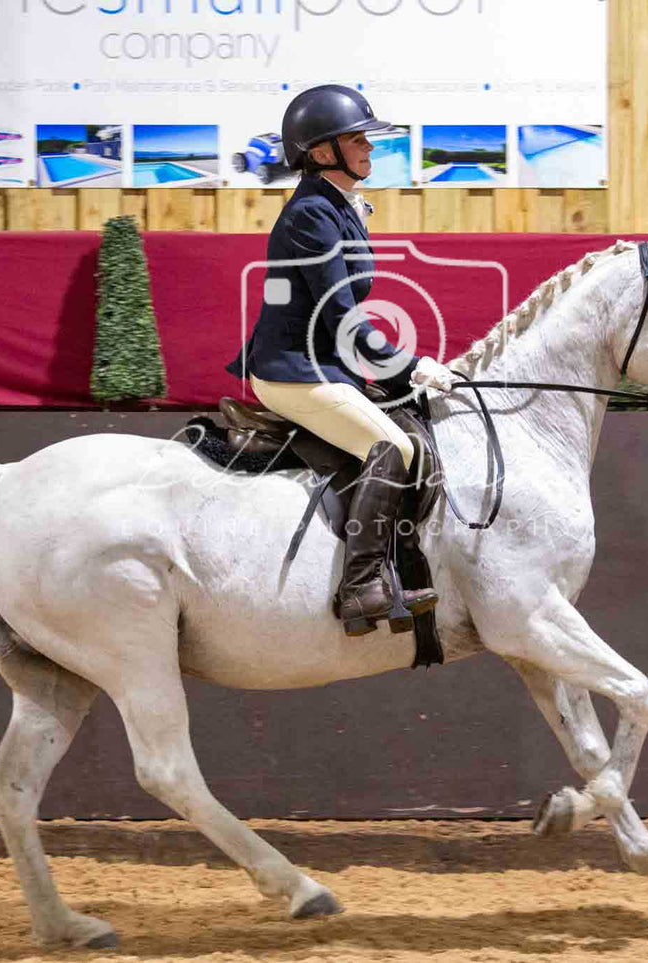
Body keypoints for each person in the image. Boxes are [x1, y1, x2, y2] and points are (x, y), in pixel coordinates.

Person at [225, 84, 457, 636]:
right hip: (290, 370)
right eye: (358, 140)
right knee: (392, 446)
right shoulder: (311, 215)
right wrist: (411, 366)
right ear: (323, 151)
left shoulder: (336, 206)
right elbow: (344, 317)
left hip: (325, 360)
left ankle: (402, 566)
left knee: (414, 426)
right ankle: (357, 587)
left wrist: (397, 368)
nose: (370, 150)